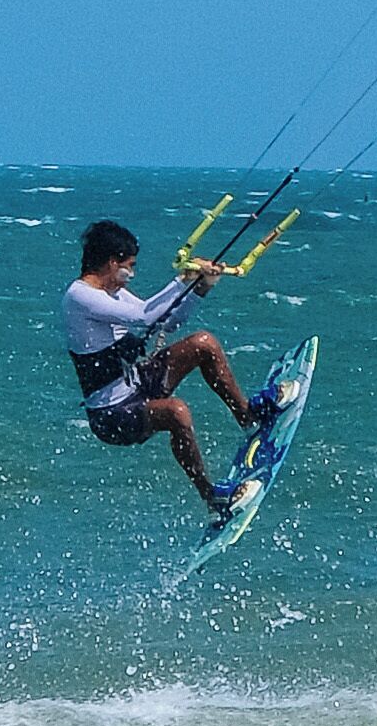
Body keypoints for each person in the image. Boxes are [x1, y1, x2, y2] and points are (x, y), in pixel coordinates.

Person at [61, 218, 284, 515]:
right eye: (130, 266)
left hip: (137, 385)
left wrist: (200, 287)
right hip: (112, 416)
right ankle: (211, 497)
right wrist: (182, 279)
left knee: (203, 343)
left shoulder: (112, 293)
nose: (132, 274)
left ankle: (247, 417)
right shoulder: (80, 297)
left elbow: (167, 320)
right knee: (176, 411)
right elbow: (143, 316)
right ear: (112, 262)